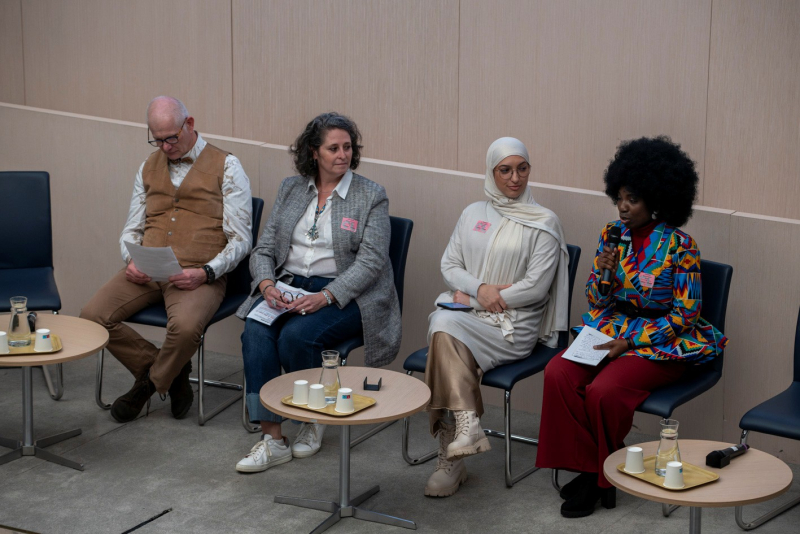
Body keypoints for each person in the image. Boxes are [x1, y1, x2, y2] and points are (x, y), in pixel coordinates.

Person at [535, 136, 729, 518]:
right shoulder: (612, 234)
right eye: (619, 197)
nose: (622, 207)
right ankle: (593, 469)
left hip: (664, 341)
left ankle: (599, 483)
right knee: (558, 371)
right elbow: (596, 300)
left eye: (632, 199)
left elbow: (685, 315)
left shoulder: (682, 246)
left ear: (656, 201)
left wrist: (630, 341)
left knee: (604, 391)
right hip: (614, 329)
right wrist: (605, 274)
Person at [234, 112, 401, 473]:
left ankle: (312, 418)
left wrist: (325, 297)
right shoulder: (291, 188)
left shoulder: (371, 195)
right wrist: (266, 285)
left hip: (348, 294)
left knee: (297, 337)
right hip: (287, 286)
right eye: (333, 148)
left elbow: (371, 264)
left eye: (347, 147)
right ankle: (273, 438)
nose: (342, 154)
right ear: (314, 152)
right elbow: (263, 250)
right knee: (256, 333)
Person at [81, 96, 253, 423]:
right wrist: (129, 257)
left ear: (190, 124)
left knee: (186, 328)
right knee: (91, 316)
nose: (164, 147)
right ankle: (170, 372)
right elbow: (132, 227)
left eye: (170, 138)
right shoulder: (148, 165)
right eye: (157, 139)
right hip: (146, 269)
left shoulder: (228, 165)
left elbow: (242, 239)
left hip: (198, 274)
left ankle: (147, 386)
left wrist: (206, 272)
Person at [423, 137, 570, 497]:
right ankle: (463, 430)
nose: (515, 178)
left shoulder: (544, 222)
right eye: (505, 170)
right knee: (444, 330)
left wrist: (478, 298)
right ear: (492, 172)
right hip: (468, 320)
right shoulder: (473, 213)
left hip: (513, 328)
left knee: (441, 328)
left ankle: (452, 455)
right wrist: (482, 288)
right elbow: (449, 265)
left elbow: (536, 288)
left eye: (522, 169)